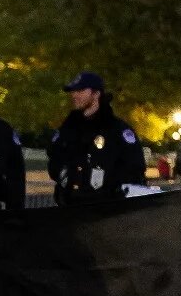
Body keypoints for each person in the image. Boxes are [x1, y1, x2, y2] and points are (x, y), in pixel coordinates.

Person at [47, 72, 146, 205]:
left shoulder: (117, 130)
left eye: (81, 90)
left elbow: (134, 170)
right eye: (73, 91)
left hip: (106, 211)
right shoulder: (68, 128)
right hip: (69, 208)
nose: (75, 95)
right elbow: (54, 160)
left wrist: (111, 190)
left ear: (96, 93)